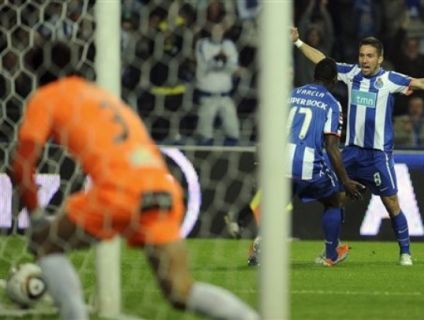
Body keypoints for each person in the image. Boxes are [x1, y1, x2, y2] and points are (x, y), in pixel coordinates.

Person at [9, 42, 258, 320]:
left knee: (47, 244)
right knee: (180, 290)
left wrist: (37, 217)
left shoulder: (47, 97)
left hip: (117, 190)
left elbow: (21, 164)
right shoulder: (101, 96)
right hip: (161, 188)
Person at [291, 27, 424, 266]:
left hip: (378, 155)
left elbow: (420, 83)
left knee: (392, 203)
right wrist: (298, 42)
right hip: (351, 152)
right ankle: (331, 253)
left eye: (369, 56)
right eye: (361, 55)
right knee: (335, 198)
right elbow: (323, 60)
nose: (364, 60)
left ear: (380, 58)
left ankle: (405, 253)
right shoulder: (351, 73)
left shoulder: (389, 80)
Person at [245, 58, 365, 267]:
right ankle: (330, 254)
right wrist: (345, 181)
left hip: (280, 161)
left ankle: (260, 247)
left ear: (314, 76)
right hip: (308, 163)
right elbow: (331, 146)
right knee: (335, 200)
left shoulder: (291, 95)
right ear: (335, 80)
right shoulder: (332, 103)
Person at [194, 22, 240, 145]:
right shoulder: (202, 44)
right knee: (205, 135)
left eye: (220, 30)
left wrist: (221, 60)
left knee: (233, 131)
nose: (217, 33)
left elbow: (233, 67)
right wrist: (220, 60)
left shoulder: (229, 45)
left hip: (225, 96)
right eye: (214, 29)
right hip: (207, 96)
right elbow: (206, 66)